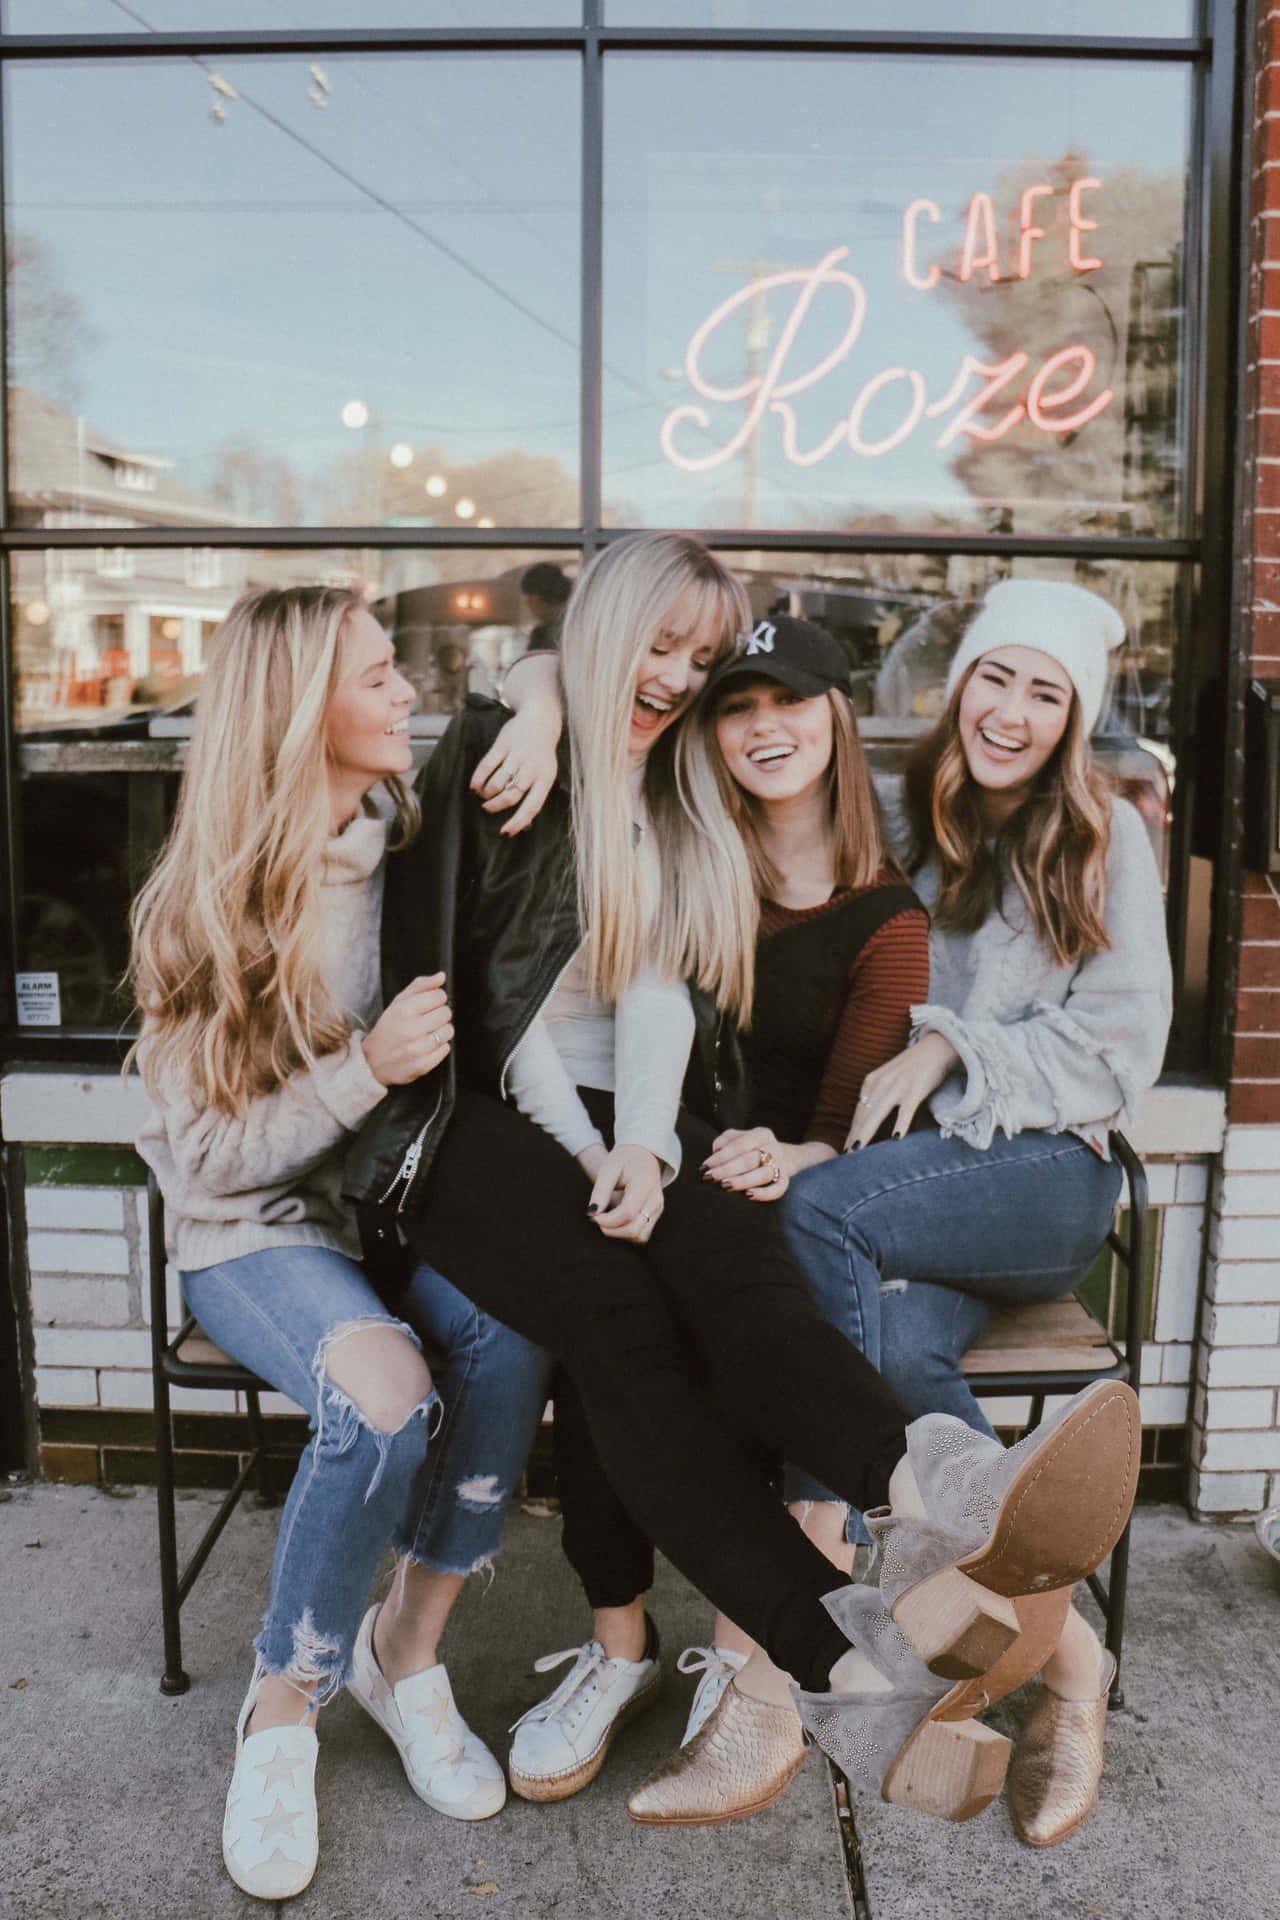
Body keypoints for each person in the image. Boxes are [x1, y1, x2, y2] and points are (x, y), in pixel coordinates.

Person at [345, 534, 1143, 1831]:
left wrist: (651, 1147)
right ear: (601, 633)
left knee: (735, 1259)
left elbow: (655, 983)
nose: (677, 679)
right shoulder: (510, 743)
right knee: (622, 1325)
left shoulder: (670, 793)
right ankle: (828, 1668)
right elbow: (505, 1012)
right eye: (661, 648)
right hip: (466, 1121)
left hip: (630, 1115)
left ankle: (939, 1499)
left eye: (700, 660)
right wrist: (541, 691)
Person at [130, 586, 549, 1902]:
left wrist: (539, 697)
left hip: (377, 1212)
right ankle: (284, 1708)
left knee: (517, 1321)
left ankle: (405, 1657)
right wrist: (363, 1070)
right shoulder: (204, 903)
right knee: (383, 1401)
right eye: (379, 678)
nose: (407, 694)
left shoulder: (397, 834)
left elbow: (537, 669)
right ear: (309, 707)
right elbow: (204, 1160)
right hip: (249, 1227)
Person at [779, 576, 1173, 1848]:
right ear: (960, 687)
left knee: (819, 1215)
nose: (1011, 711)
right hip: (916, 1192)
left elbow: (1121, 1051)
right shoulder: (898, 811)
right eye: (995, 679)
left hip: (1046, 1176)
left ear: (1073, 717)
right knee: (893, 1342)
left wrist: (953, 1050)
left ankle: (832, 1564)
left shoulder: (1112, 836)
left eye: (1044, 693)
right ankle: (1069, 1667)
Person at [521, 613, 934, 1824]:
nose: (760, 728)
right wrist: (540, 690)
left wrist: (791, 1153)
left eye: (787, 704)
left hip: (776, 1186)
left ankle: (756, 1652)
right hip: (641, 1157)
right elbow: (563, 674)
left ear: (836, 718)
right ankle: (620, 1643)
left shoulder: (883, 916)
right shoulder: (685, 853)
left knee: (719, 1326)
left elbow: (852, 1118)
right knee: (608, 1322)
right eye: (736, 708)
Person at [519, 561, 572, 651]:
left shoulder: (541, 635)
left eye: (529, 600)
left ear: (540, 600)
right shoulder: (578, 625)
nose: (528, 606)